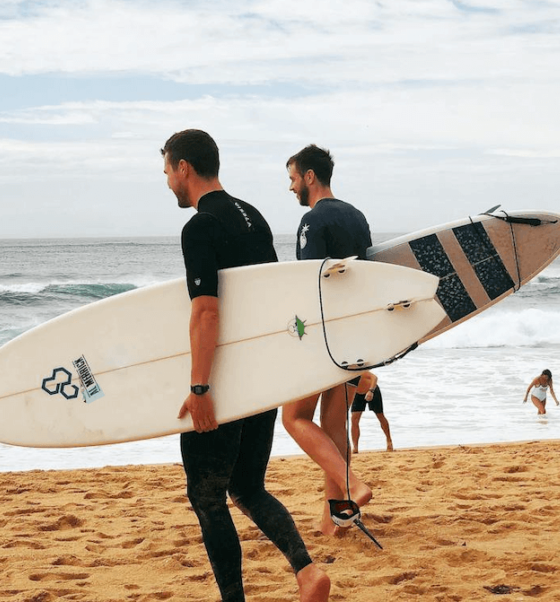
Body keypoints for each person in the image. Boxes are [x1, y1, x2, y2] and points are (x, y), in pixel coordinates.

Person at [164, 129, 330, 602]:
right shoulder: (252, 217)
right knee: (247, 486)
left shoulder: (199, 227)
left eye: (167, 172)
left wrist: (200, 388)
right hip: (262, 379)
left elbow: (206, 311)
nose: (168, 183)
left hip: (226, 385)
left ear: (184, 168)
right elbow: (274, 298)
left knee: (207, 496)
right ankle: (306, 571)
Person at [279, 144, 374, 536]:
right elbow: (365, 277)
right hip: (355, 334)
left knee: (294, 418)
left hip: (325, 337)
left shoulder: (312, 221)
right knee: (333, 431)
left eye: (292, 179)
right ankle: (335, 520)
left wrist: (294, 337)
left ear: (309, 177)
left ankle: (352, 487)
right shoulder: (357, 216)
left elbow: (310, 284)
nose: (291, 188)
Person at [349, 371, 394, 453]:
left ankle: (389, 440)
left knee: (380, 415)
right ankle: (355, 447)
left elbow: (374, 377)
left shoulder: (359, 370)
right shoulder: (343, 375)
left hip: (372, 391)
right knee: (354, 419)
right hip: (357, 394)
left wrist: (371, 391)